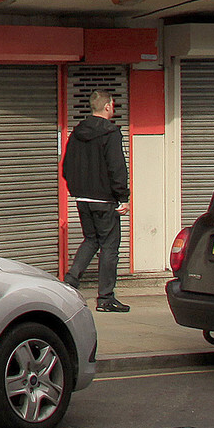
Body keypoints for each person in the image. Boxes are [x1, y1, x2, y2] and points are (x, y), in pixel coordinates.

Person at [63, 89, 131, 311]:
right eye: (113, 105)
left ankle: (71, 281)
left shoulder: (77, 132)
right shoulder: (110, 133)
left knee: (91, 240)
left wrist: (77, 189)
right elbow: (117, 167)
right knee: (110, 246)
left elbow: (66, 167)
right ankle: (106, 298)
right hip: (104, 200)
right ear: (109, 106)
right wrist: (123, 197)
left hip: (82, 199)